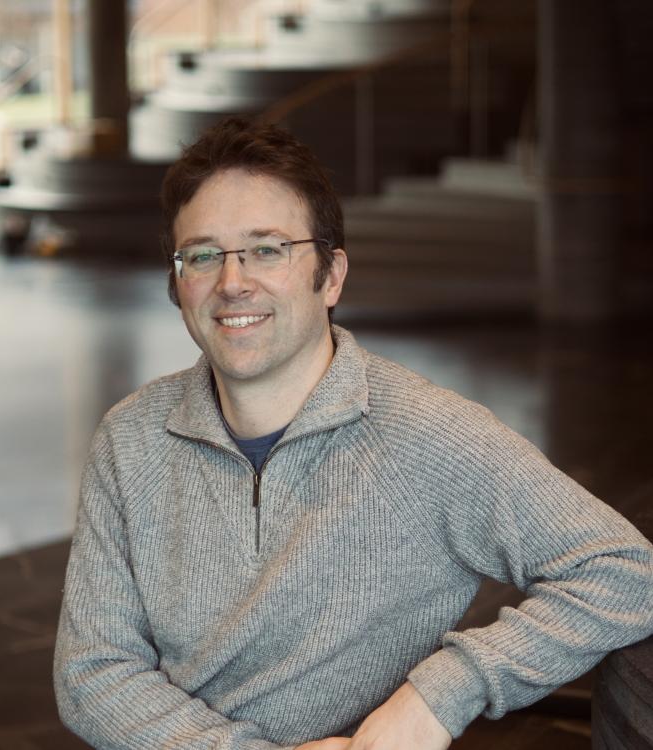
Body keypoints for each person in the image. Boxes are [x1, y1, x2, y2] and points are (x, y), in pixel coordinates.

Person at [54, 117, 653, 750]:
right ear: (178, 284)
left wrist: (439, 694)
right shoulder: (130, 437)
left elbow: (623, 568)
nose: (232, 283)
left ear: (332, 275)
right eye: (203, 255)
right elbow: (92, 670)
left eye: (268, 249)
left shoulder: (427, 434)